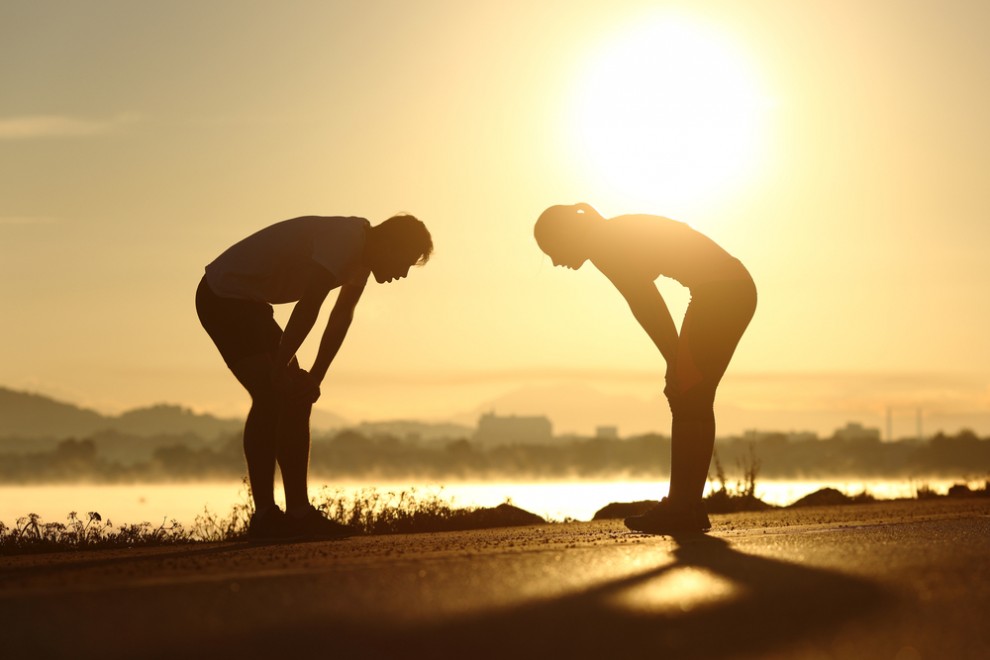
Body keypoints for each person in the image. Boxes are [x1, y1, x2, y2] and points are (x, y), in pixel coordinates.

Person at [196, 213, 433, 541]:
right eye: (404, 262)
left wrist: (314, 379)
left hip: (251, 304)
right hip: (223, 295)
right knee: (270, 393)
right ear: (390, 244)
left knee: (296, 396)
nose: (403, 273)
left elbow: (340, 317)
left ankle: (298, 514)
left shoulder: (362, 258)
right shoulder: (346, 240)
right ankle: (264, 517)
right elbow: (311, 304)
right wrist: (280, 367)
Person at [534, 203, 756, 534]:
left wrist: (672, 361)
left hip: (720, 291)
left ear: (566, 234)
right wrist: (674, 361)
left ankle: (683, 507)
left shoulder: (602, 242)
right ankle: (689, 507)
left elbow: (646, 303)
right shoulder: (606, 234)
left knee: (689, 397)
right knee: (693, 397)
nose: (554, 261)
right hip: (730, 288)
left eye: (552, 250)